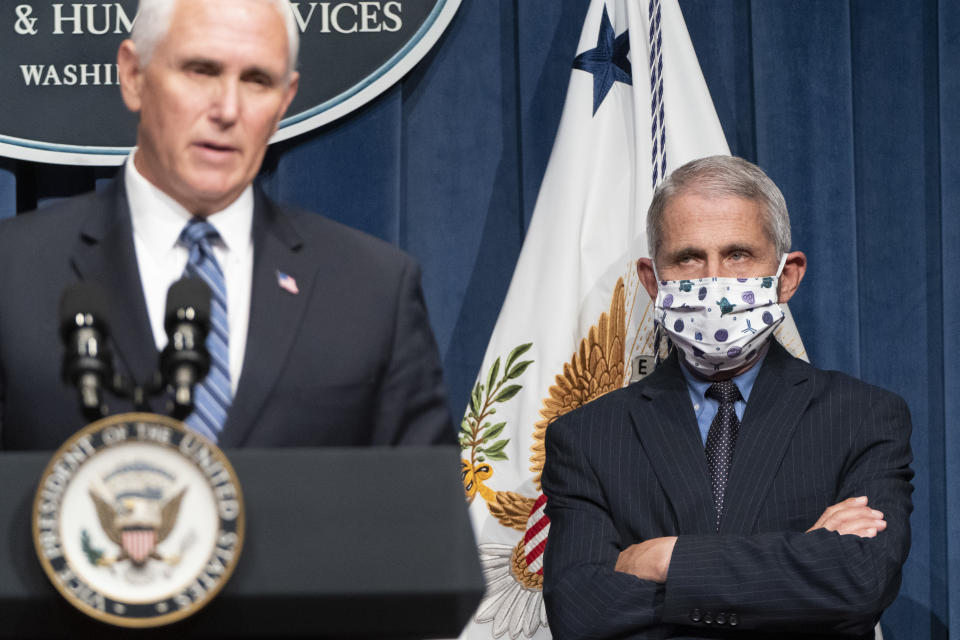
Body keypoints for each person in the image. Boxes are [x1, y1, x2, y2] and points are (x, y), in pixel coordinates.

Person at [0, 0, 453, 449]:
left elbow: (423, 512)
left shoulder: (372, 291)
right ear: (134, 76)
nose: (227, 109)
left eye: (257, 81)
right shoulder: (12, 272)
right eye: (201, 71)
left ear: (284, 102)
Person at [541, 156, 913, 639]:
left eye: (738, 254)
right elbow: (580, 611)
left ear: (787, 276)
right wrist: (797, 568)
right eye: (688, 258)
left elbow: (860, 580)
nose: (713, 281)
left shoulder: (863, 417)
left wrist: (664, 558)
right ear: (653, 281)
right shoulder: (587, 436)